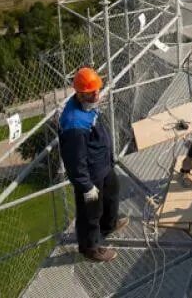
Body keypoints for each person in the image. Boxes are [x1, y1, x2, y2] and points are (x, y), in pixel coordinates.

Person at [59, 66, 127, 263]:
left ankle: (109, 225)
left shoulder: (87, 106)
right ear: (79, 94)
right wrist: (86, 186)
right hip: (90, 175)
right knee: (90, 212)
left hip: (102, 165)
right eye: (91, 93)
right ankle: (91, 247)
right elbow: (74, 160)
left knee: (112, 195)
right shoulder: (74, 124)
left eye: (97, 90)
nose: (97, 96)